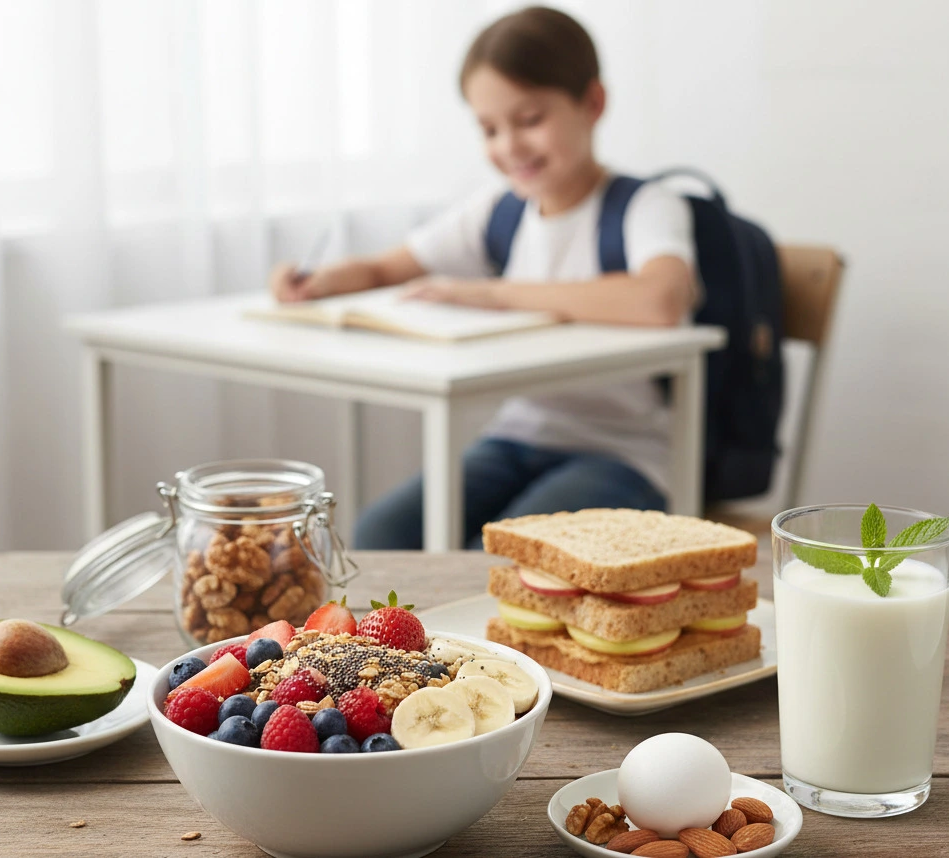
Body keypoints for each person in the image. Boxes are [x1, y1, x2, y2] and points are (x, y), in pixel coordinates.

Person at [269, 6, 697, 550]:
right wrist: (318, 282)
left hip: (626, 453)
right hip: (516, 438)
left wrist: (494, 294)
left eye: (530, 119)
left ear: (593, 103)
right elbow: (384, 268)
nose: (509, 146)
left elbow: (660, 299)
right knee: (381, 533)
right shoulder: (500, 210)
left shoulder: (646, 206)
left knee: (496, 558)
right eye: (489, 129)